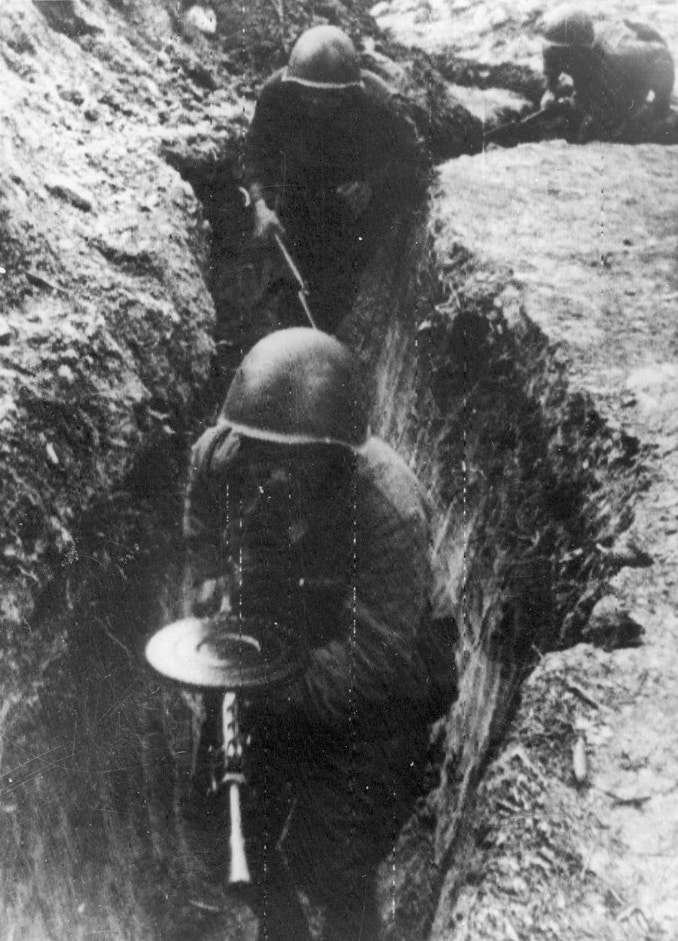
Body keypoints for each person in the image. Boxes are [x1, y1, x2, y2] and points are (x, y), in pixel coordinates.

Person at [182, 327, 457, 941]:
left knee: (339, 854)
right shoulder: (225, 453)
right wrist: (208, 576)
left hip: (389, 668)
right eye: (261, 453)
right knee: (227, 818)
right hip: (290, 636)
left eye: (294, 459)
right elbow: (202, 501)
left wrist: (268, 687)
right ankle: (279, 926)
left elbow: (379, 653)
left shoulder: (386, 506)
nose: (273, 471)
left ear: (334, 454)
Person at [243, 25, 427, 333]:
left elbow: (415, 162)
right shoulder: (277, 94)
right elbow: (254, 152)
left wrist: (372, 184)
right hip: (297, 201)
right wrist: (260, 206)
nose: (314, 105)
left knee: (337, 300)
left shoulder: (378, 103)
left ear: (347, 92)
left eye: (325, 99)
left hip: (352, 214)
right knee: (284, 294)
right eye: (307, 95)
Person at [539, 6, 675, 143]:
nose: (556, 57)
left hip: (637, 58)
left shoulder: (619, 56)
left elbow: (662, 56)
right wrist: (550, 90)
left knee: (609, 127)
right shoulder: (556, 46)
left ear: (581, 51)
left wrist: (661, 104)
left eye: (564, 54)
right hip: (600, 52)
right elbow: (551, 60)